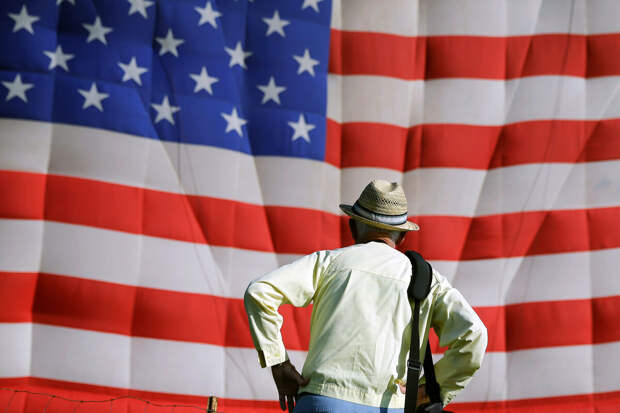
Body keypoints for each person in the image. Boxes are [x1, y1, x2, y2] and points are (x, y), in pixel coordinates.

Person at [244, 180, 487, 412]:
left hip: (321, 399)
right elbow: (474, 334)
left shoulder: (328, 262)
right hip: (389, 406)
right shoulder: (429, 280)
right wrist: (431, 389)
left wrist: (279, 364)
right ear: (402, 237)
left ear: (352, 227)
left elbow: (259, 292)